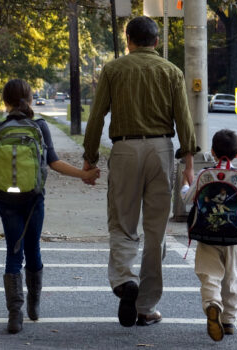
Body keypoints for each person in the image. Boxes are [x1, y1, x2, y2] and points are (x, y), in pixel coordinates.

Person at [82, 16, 197, 327]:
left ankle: (123, 281)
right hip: (161, 150)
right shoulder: (171, 71)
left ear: (128, 40)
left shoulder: (113, 70)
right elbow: (184, 121)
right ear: (156, 42)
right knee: (156, 231)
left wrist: (89, 158)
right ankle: (146, 307)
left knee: (122, 221)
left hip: (124, 150)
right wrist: (188, 162)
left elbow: (96, 118)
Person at [0, 79, 100, 334]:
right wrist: (84, 175)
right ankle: (34, 306)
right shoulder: (39, 127)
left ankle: (14, 315)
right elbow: (55, 163)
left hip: (7, 201)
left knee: (13, 254)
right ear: (29, 98)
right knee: (33, 249)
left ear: (4, 102)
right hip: (33, 200)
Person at [183, 129, 237, 341]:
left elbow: (187, 199)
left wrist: (185, 183)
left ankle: (212, 304)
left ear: (212, 152)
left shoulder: (204, 175)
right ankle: (228, 320)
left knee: (209, 274)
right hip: (233, 236)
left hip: (207, 234)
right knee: (231, 276)